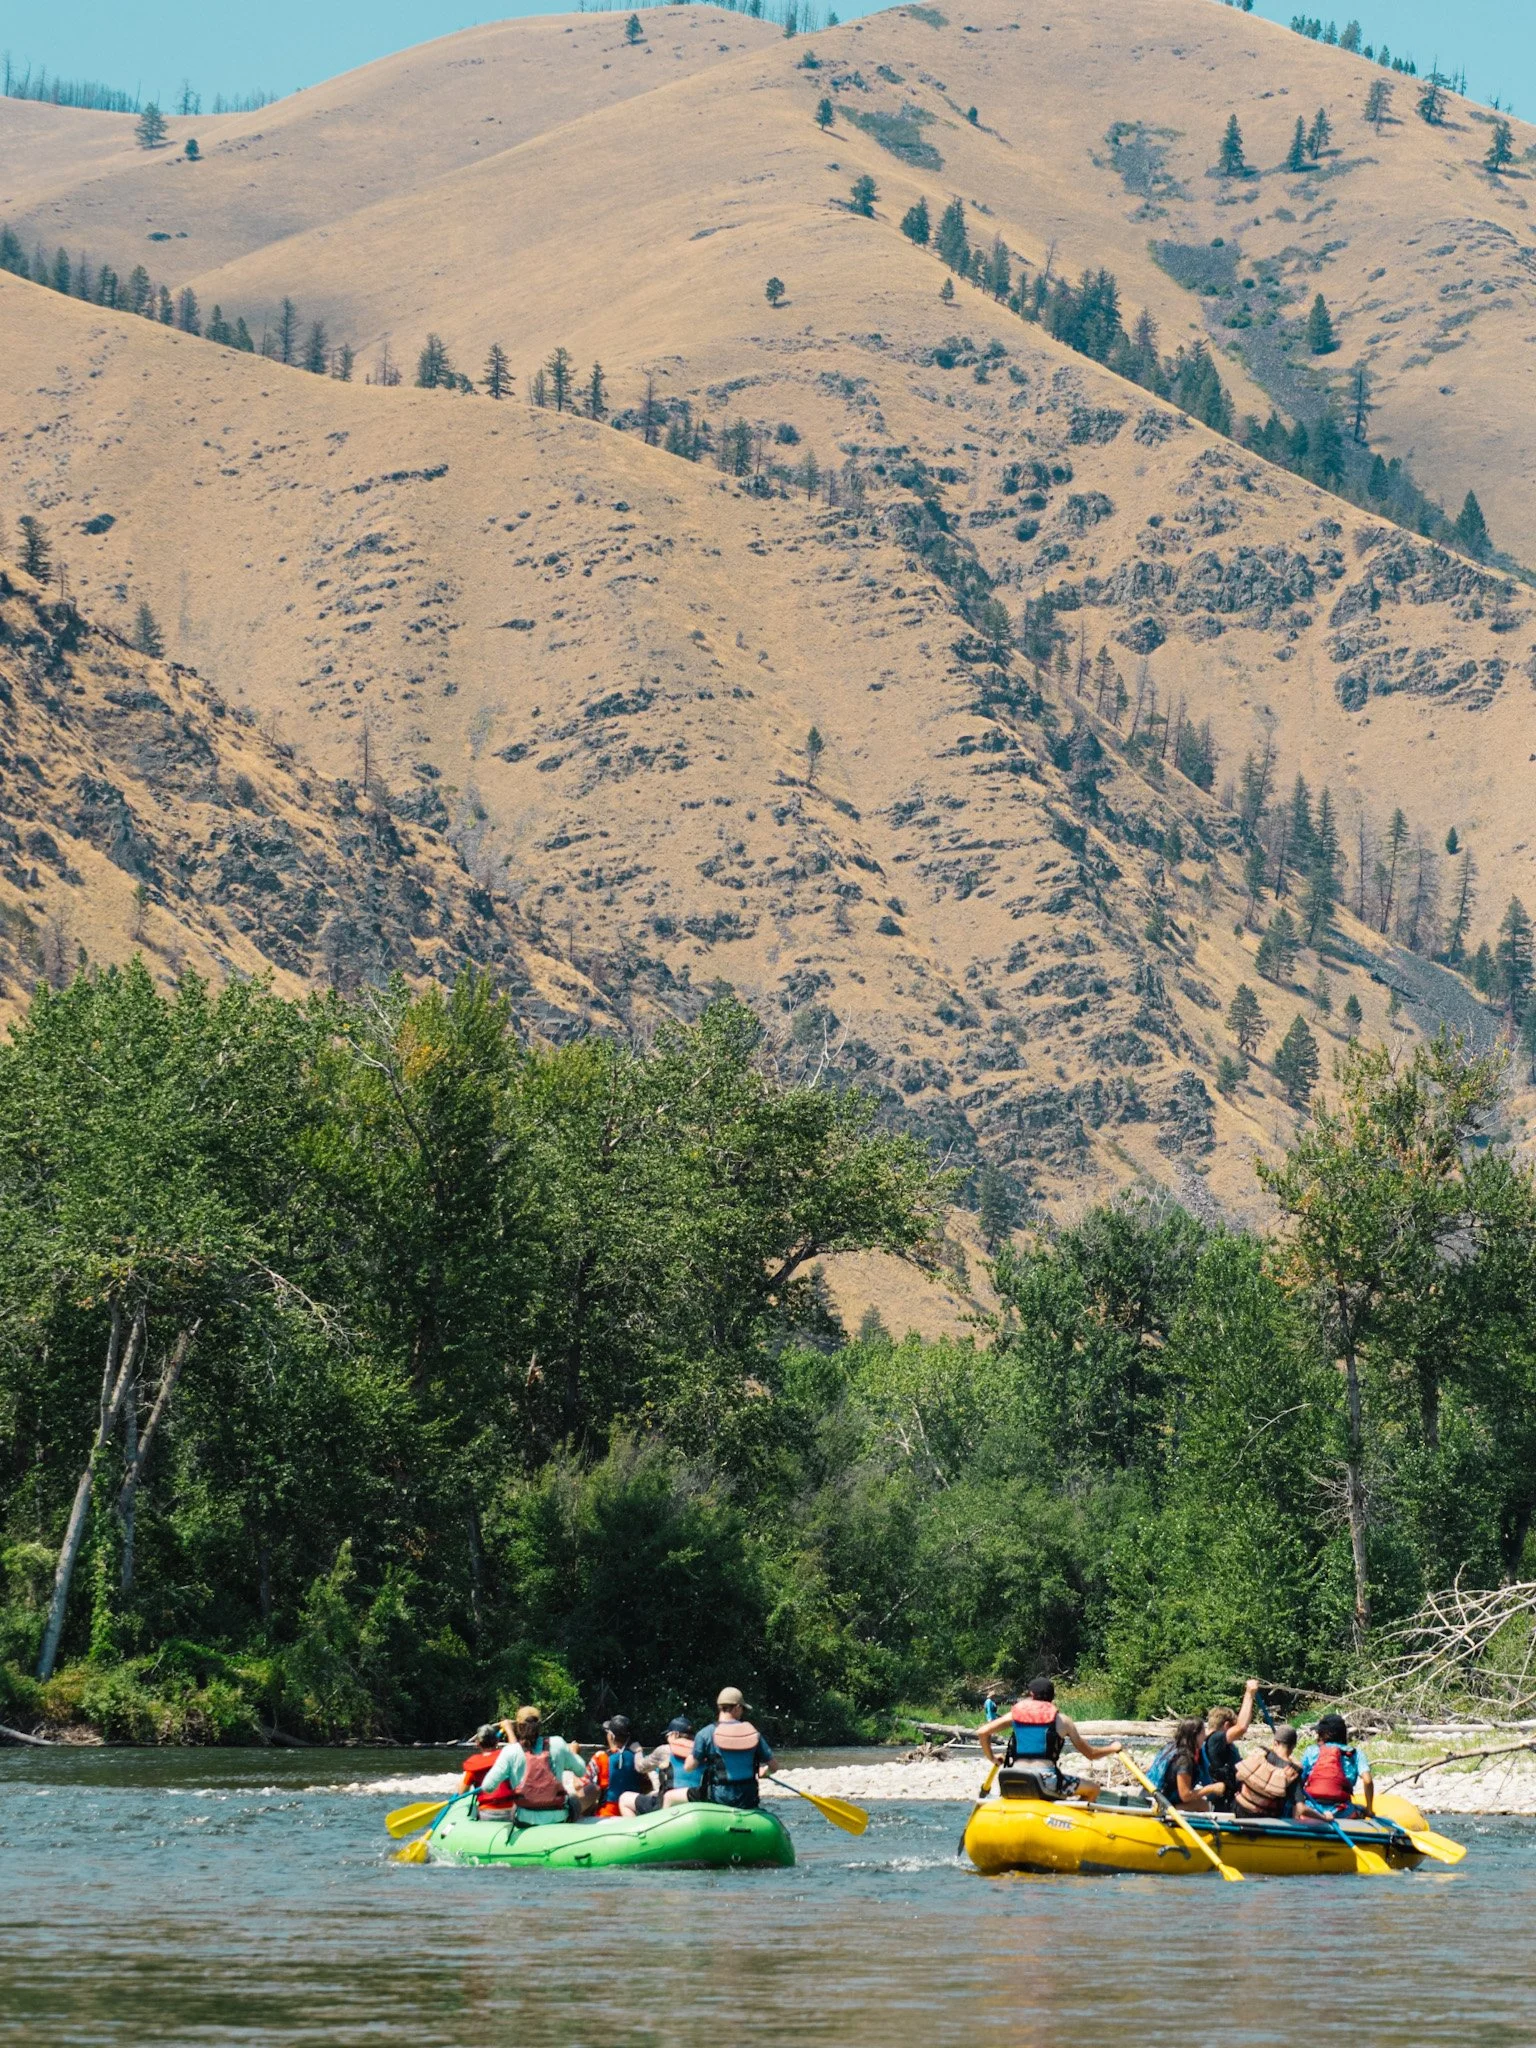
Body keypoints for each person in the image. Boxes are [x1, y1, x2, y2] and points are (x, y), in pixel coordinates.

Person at [976, 1676, 1122, 1802]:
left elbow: (983, 1732)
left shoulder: (1015, 1715)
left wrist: (992, 1758)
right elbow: (1091, 1754)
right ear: (1051, 1698)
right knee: (1093, 1789)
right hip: (1045, 1780)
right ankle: (1070, 1824)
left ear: (1032, 1695)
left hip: (1012, 1778)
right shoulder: (1063, 1721)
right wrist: (1113, 1748)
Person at [476, 1706, 586, 1824]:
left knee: (514, 1807)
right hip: (559, 1818)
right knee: (577, 1797)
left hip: (524, 1820)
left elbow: (487, 1786)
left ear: (518, 1727)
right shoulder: (558, 1743)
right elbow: (581, 1770)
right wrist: (573, 1752)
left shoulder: (509, 1751)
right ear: (539, 1726)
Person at [688, 1686, 774, 1809]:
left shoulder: (705, 1734)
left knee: (676, 1795)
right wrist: (766, 1772)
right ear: (737, 1707)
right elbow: (774, 1766)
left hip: (719, 1799)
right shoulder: (753, 1733)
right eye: (743, 1708)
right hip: (748, 1800)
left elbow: (689, 1767)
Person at [1200, 1678, 1261, 1812]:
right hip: (1224, 1803)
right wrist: (1249, 1693)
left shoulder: (1210, 1743)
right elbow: (1241, 1727)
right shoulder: (1215, 1740)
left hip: (1227, 1798)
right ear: (1227, 1725)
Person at [1298, 1714, 1374, 1817]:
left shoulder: (1311, 1750)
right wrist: (1369, 1809)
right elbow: (1367, 1780)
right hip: (1342, 1811)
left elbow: (1299, 1782)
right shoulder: (1355, 1753)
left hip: (1312, 1809)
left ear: (1324, 1734)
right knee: (1360, 1809)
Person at [583, 1715, 653, 1819]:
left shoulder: (600, 1757)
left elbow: (583, 1782)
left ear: (611, 1736)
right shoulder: (638, 1759)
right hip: (633, 1812)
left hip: (606, 1814)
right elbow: (648, 1786)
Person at [1233, 1722, 1307, 1820]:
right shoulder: (1292, 1772)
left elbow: (1238, 1777)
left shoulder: (1258, 1755)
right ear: (1293, 1746)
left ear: (1275, 1743)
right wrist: (1324, 1817)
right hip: (1266, 1820)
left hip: (1238, 1810)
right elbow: (1299, 1809)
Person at [1150, 1717, 1213, 1812]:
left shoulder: (1172, 1747)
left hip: (1159, 1796)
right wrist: (1212, 1789)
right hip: (1160, 1802)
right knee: (1202, 1805)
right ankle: (1166, 1811)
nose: (1205, 1736)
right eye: (1203, 1733)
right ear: (1195, 1735)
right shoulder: (1184, 1759)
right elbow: (1185, 1796)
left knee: (1200, 1802)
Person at [459, 1723, 507, 1804]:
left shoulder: (473, 1765)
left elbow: (461, 1792)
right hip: (508, 1809)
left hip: (486, 1810)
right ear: (497, 1742)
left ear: (478, 1743)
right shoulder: (507, 1757)